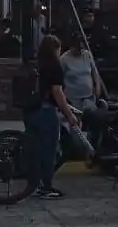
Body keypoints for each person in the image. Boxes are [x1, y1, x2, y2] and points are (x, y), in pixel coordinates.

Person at [24, 34, 79, 199]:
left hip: (29, 111)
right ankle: (46, 186)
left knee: (34, 150)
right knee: (49, 151)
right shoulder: (54, 66)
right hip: (46, 113)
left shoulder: (35, 64)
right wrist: (69, 115)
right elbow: (57, 92)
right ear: (55, 49)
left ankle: (33, 184)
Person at [60, 31, 101, 111]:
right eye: (78, 48)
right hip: (72, 100)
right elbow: (58, 79)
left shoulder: (87, 55)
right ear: (72, 45)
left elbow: (94, 72)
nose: (80, 50)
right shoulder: (64, 59)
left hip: (89, 98)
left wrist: (98, 88)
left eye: (82, 48)